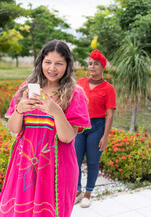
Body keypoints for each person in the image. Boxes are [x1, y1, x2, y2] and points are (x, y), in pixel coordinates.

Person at [0, 40, 91, 217]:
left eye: (59, 63)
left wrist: (57, 112)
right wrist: (20, 109)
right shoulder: (28, 88)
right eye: (48, 62)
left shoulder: (75, 93)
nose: (52, 68)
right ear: (41, 62)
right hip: (24, 165)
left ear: (67, 65)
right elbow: (14, 128)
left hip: (57, 168)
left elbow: (67, 138)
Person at [75, 49, 116, 208]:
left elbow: (110, 115)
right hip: (79, 127)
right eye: (90, 63)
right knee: (75, 160)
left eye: (96, 64)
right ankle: (77, 191)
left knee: (92, 162)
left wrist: (105, 136)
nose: (92, 66)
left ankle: (88, 193)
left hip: (96, 127)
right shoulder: (80, 82)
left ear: (102, 67)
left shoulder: (108, 88)